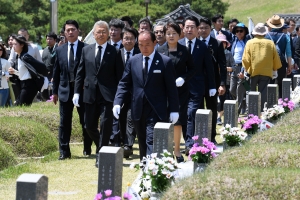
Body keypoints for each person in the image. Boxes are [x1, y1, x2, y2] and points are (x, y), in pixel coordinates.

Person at [113, 31, 179, 160]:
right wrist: (117, 101)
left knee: (151, 139)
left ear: (154, 43)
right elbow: (124, 83)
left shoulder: (165, 61)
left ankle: (151, 167)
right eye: (141, 45)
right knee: (142, 141)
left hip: (157, 109)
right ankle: (145, 167)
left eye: (147, 44)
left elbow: (171, 88)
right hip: (138, 108)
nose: (144, 48)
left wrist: (174, 109)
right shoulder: (133, 61)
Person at [73, 20, 122, 167]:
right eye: (98, 32)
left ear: (108, 34)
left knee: (106, 125)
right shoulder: (86, 50)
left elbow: (120, 77)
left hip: (108, 95)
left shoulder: (115, 52)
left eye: (103, 32)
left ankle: (100, 155)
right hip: (90, 93)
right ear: (93, 34)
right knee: (88, 125)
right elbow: (80, 73)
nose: (101, 34)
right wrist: (76, 92)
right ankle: (103, 146)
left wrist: (120, 97)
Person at [52, 20, 91, 160]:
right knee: (64, 123)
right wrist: (54, 92)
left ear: (78, 31)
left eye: (73, 29)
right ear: (64, 33)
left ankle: (87, 147)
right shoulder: (60, 50)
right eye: (68, 30)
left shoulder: (86, 48)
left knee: (85, 121)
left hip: (82, 91)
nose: (70, 32)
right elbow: (56, 73)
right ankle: (64, 151)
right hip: (64, 91)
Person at [157, 21, 195, 162]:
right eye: (168, 34)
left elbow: (192, 69)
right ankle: (165, 151)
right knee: (164, 120)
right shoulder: (159, 50)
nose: (171, 36)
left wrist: (183, 79)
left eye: (174, 33)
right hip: (163, 91)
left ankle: (177, 151)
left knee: (178, 121)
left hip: (180, 92)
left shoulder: (184, 50)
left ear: (180, 35)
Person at [178, 16, 216, 155]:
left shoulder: (202, 46)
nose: (189, 29)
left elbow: (209, 68)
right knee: (185, 115)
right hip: (180, 88)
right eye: (187, 27)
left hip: (197, 87)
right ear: (183, 28)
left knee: (191, 113)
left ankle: (189, 143)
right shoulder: (178, 44)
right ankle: (191, 141)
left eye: (192, 27)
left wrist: (212, 86)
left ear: (197, 29)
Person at [113, 27, 140, 157]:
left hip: (136, 93)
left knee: (130, 117)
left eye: (131, 38)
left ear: (135, 40)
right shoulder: (116, 54)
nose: (128, 41)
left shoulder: (140, 53)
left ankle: (128, 145)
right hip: (120, 93)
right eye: (126, 38)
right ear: (122, 40)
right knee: (121, 118)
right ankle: (124, 141)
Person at [198, 17, 226, 142]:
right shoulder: (194, 43)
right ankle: (197, 137)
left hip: (212, 82)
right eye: (201, 28)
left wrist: (222, 83)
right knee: (197, 110)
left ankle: (212, 136)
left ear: (211, 28)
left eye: (206, 28)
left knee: (212, 109)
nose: (203, 30)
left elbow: (222, 65)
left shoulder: (217, 44)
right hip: (197, 82)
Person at [243, 23, 282, 111]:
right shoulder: (270, 43)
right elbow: (275, 58)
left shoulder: (249, 42)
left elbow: (246, 59)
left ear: (254, 33)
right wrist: (275, 70)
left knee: (250, 91)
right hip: (266, 71)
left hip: (252, 71)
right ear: (265, 33)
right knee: (263, 92)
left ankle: (252, 111)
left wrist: (246, 70)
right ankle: (261, 111)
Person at [8, 28, 42, 104]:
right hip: (20, 78)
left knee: (23, 103)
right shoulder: (18, 52)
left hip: (30, 81)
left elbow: (39, 65)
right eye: (20, 35)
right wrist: (11, 71)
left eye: (24, 35)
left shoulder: (27, 54)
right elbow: (10, 61)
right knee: (20, 102)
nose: (22, 37)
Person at [265, 15, 292, 98]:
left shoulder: (266, 36)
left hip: (269, 63)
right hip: (281, 62)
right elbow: (288, 52)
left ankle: (270, 104)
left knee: (270, 83)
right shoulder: (285, 36)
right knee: (280, 83)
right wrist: (289, 66)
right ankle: (281, 103)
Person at [229, 23, 250, 115]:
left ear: (245, 32)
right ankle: (244, 101)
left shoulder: (248, 42)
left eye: (241, 31)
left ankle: (238, 111)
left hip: (243, 67)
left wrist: (244, 70)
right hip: (234, 67)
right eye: (237, 31)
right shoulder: (234, 42)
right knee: (232, 90)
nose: (239, 33)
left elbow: (248, 58)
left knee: (241, 88)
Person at [216, 34, 235, 123]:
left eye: (223, 42)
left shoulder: (229, 54)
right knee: (216, 100)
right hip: (214, 79)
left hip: (226, 80)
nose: (221, 44)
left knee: (223, 99)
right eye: (220, 42)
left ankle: (219, 117)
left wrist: (225, 68)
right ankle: (216, 116)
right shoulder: (212, 53)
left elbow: (234, 67)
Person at [41, 32, 57, 101]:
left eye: (50, 39)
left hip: (54, 74)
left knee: (53, 91)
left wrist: (54, 75)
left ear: (55, 40)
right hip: (45, 74)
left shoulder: (58, 49)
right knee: (44, 91)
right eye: (47, 39)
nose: (48, 41)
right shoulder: (45, 50)